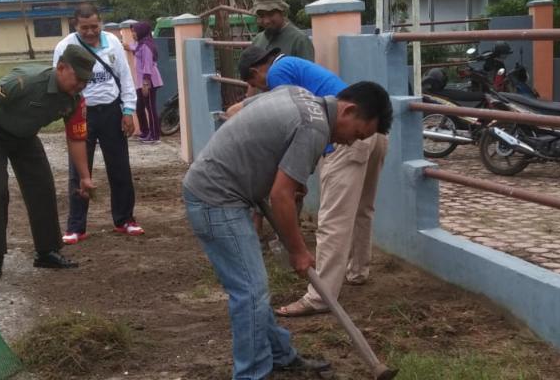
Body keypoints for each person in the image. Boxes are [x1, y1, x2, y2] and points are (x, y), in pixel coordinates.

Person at [184, 81, 392, 380]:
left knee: (253, 286)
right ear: (349, 110)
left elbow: (244, 114)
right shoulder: (315, 126)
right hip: (216, 198)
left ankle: (279, 355)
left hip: (222, 190)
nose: (350, 143)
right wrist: (299, 251)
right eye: (357, 134)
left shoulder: (300, 96)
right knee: (250, 291)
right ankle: (253, 374)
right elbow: (281, 196)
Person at [231, 45, 390, 318]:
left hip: (350, 135)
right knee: (362, 208)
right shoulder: (295, 65)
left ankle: (320, 296)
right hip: (372, 133)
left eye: (253, 83)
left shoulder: (278, 72)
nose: (257, 87)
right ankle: (358, 270)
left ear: (257, 71)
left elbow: (289, 110)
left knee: (332, 221)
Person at [0, 45, 96, 280]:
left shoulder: (75, 100)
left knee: (42, 187)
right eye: (78, 79)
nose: (81, 86)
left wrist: (85, 177)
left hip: (25, 137)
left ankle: (46, 251)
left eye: (86, 81)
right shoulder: (28, 81)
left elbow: (76, 139)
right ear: (62, 68)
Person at [51, 3, 144, 244]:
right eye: (85, 28)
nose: (90, 32)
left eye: (94, 26)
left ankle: (125, 220)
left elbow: (125, 76)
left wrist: (128, 110)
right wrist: (67, 112)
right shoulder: (65, 46)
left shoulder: (113, 42)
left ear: (100, 22)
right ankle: (76, 226)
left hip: (112, 111)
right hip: (80, 114)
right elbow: (59, 80)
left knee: (120, 167)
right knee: (79, 171)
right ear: (75, 26)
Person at [250, 0, 314, 62]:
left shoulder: (299, 41)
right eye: (261, 16)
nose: (266, 21)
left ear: (282, 12)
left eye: (271, 14)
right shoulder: (257, 41)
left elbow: (306, 73)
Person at [131, 21, 163, 143]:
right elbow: (134, 49)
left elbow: (148, 64)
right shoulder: (141, 44)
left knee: (150, 108)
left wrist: (146, 83)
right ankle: (145, 131)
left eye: (134, 31)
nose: (133, 34)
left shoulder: (146, 46)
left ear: (141, 32)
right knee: (139, 107)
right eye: (132, 32)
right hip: (141, 82)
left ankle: (155, 136)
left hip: (149, 81)